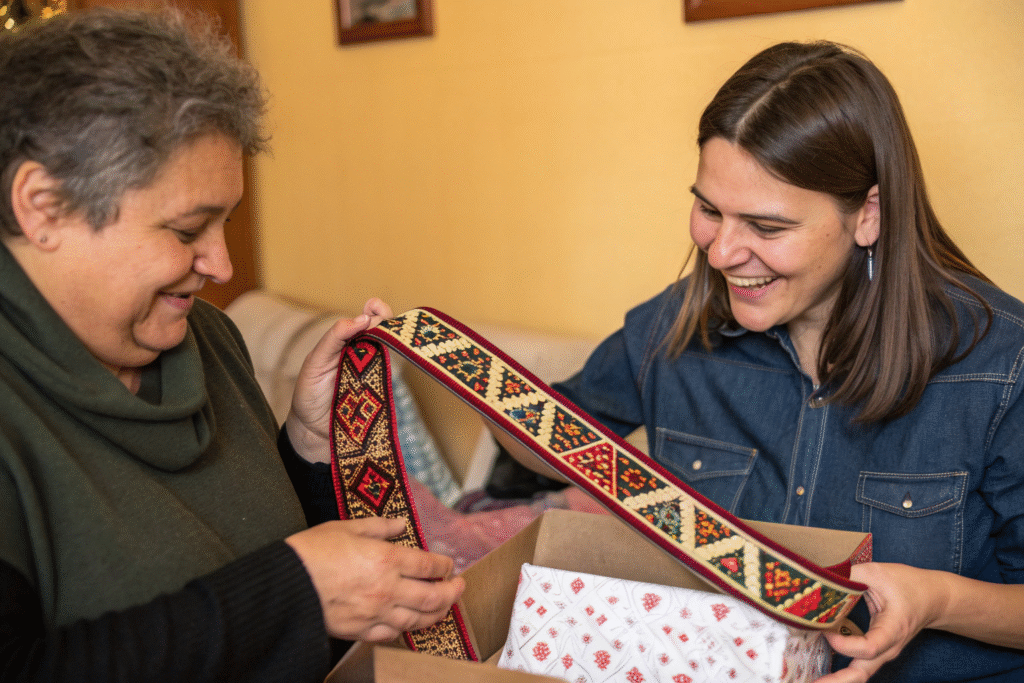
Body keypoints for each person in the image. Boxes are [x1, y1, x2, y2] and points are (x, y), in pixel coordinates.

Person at [0, 8, 462, 682]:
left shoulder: (209, 338)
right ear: (43, 206)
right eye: (188, 230)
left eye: (225, 223)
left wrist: (309, 444)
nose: (221, 265)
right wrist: (292, 595)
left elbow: (269, 552)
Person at [549, 41, 1024, 682]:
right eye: (709, 209)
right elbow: (542, 432)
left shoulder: (1002, 364)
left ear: (869, 215)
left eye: (767, 228)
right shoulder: (673, 325)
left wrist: (938, 600)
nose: (721, 253)